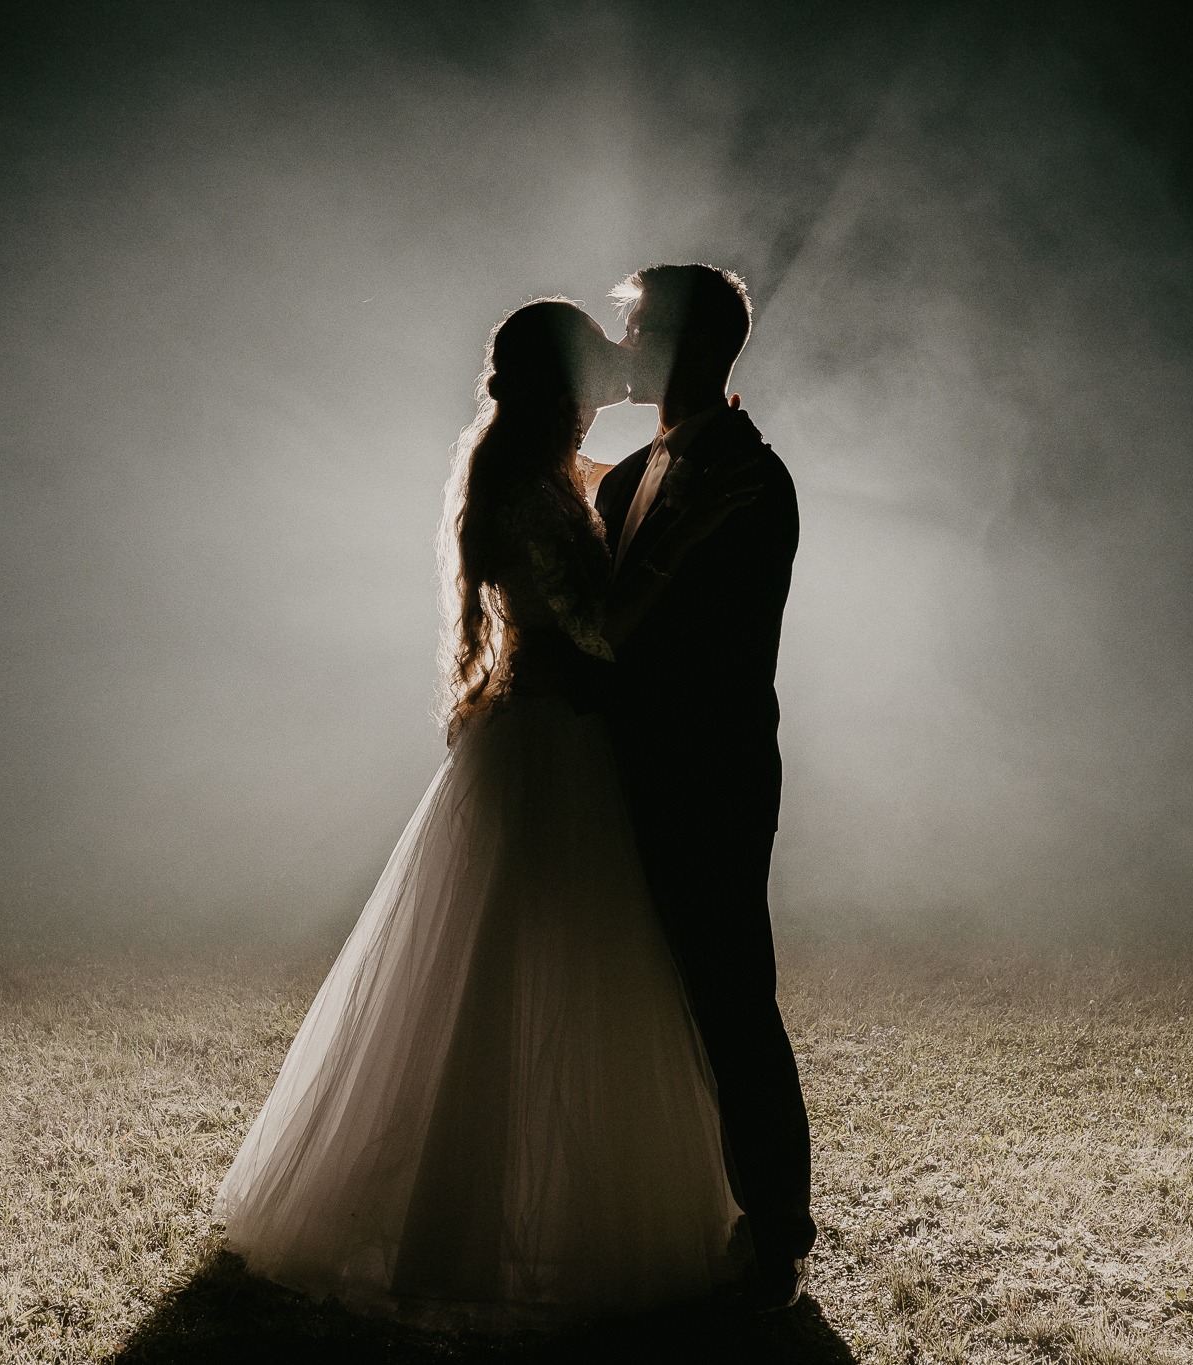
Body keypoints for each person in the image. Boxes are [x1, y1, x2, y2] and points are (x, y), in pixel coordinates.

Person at [213, 299, 749, 1329]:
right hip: (549, 747)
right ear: (561, 385)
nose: (614, 378)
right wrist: (686, 543)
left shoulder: (543, 475)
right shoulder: (527, 491)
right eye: (599, 364)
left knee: (547, 977)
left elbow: (619, 498)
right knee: (523, 980)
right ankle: (463, 1234)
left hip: (552, 741)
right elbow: (593, 633)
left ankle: (513, 1216)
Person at [594, 263, 815, 1309]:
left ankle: (774, 1235)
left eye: (634, 329)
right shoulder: (626, 469)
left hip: (709, 772)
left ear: (680, 344)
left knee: (730, 996)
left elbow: (711, 654)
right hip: (615, 771)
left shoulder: (748, 477)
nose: (620, 346)